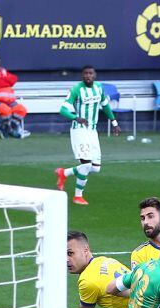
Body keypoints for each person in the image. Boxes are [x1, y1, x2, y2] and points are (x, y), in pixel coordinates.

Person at [54, 66, 118, 206]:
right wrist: (76, 118)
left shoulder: (99, 88)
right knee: (87, 164)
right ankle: (78, 196)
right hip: (79, 130)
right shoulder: (76, 90)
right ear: (82, 76)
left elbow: (105, 106)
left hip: (92, 132)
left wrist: (114, 122)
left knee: (95, 167)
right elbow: (63, 110)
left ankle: (64, 173)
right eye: (85, 74)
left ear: (95, 75)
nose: (88, 76)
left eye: (91, 73)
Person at [67, 230, 130, 308]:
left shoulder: (87, 281)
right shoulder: (106, 260)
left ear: (86, 250)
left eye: (70, 253)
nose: (66, 259)